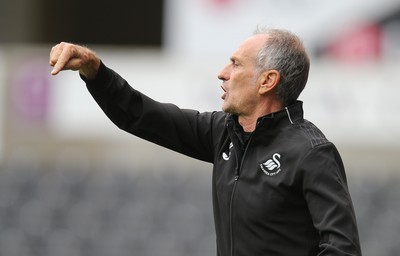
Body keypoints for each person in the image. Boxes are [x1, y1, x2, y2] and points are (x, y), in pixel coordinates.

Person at [49, 27, 362, 256]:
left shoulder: (311, 152)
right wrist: (95, 71)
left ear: (267, 81)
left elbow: (342, 249)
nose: (222, 73)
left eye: (236, 64)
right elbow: (140, 115)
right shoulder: (224, 132)